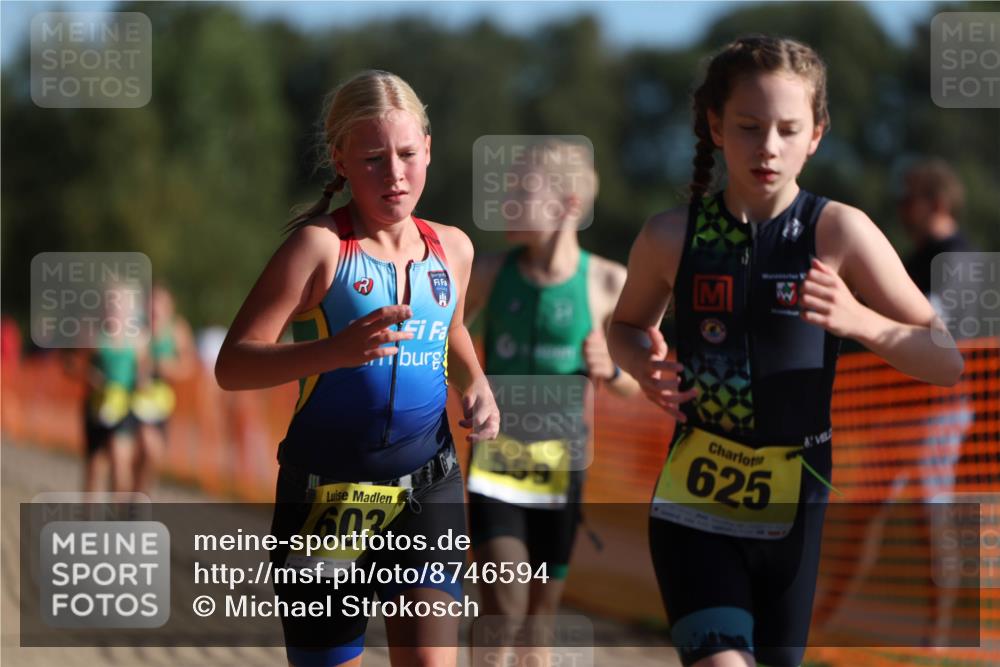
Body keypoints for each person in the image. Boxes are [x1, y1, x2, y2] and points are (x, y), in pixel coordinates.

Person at [607, 35, 964, 667]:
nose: (767, 147)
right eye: (748, 127)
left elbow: (946, 361)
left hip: (796, 506)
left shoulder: (840, 231)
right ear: (716, 127)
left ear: (816, 135)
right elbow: (626, 326)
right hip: (694, 503)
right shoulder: (671, 236)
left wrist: (861, 322)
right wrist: (644, 365)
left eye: (787, 129)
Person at [215, 69, 500, 667]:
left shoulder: (454, 248)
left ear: (428, 150)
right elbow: (233, 365)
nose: (394, 174)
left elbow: (450, 330)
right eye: (372, 158)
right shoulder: (318, 247)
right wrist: (333, 352)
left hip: (428, 490)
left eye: (406, 154)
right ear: (340, 159)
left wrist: (478, 385)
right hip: (326, 501)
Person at [463, 139, 639, 663]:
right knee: (504, 605)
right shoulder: (492, 273)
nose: (508, 204)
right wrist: (466, 383)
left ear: (568, 206)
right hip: (498, 461)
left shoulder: (608, 282)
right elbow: (445, 339)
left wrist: (612, 368)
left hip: (563, 468)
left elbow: (644, 380)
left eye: (522, 193)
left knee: (538, 625)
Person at [131, 284, 197, 496]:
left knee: (152, 454)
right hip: (131, 398)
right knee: (142, 448)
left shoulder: (177, 330)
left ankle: (139, 496)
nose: (154, 310)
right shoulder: (136, 329)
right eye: (151, 305)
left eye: (159, 305)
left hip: (160, 403)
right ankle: (127, 497)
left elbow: (188, 366)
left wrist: (166, 367)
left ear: (170, 307)